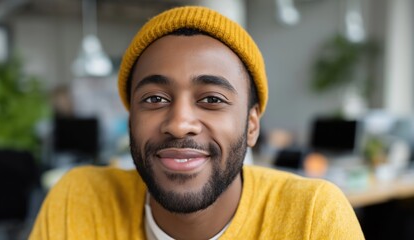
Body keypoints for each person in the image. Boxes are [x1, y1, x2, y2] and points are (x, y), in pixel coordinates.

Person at [30, 6, 364, 239]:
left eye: (212, 100)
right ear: (131, 119)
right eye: (154, 99)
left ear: (251, 126)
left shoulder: (313, 218)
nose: (179, 124)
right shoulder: (77, 201)